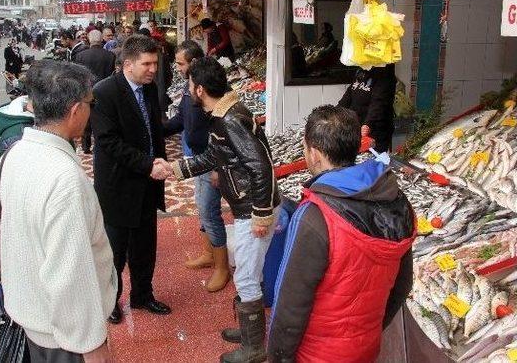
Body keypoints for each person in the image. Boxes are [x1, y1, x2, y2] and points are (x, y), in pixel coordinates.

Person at [0, 60, 117, 362]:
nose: (91, 109)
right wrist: (93, 346)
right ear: (76, 111)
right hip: (64, 338)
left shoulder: (14, 154)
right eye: (90, 103)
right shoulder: (64, 179)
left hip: (32, 316)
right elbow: (70, 275)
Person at [267, 105, 414, 362]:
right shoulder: (398, 203)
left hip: (318, 354)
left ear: (313, 153)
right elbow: (403, 285)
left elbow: (290, 305)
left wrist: (278, 357)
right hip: (366, 348)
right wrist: (369, 331)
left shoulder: (314, 215)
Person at [169, 57, 280, 363]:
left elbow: (261, 166)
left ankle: (254, 348)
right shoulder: (223, 116)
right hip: (247, 205)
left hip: (252, 209)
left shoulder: (230, 119)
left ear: (200, 88)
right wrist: (175, 168)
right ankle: (249, 333)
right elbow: (213, 157)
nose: (188, 88)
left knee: (245, 275)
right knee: (249, 272)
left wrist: (261, 213)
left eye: (190, 83)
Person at [92, 35, 172, 325]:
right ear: (128, 64)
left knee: (145, 246)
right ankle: (112, 301)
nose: (153, 69)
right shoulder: (104, 92)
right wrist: (148, 163)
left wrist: (160, 161)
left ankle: (143, 295)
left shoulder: (149, 89)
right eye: (147, 64)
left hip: (147, 184)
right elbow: (108, 142)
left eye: (155, 63)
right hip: (119, 186)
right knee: (114, 253)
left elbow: (153, 130)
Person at [163, 41, 228, 292]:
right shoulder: (191, 88)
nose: (177, 67)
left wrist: (217, 167)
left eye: (180, 63)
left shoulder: (212, 91)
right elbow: (181, 118)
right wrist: (158, 130)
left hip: (211, 162)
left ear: (193, 63)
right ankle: (208, 252)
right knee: (203, 208)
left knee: (210, 212)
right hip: (198, 159)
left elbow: (220, 135)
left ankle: (221, 267)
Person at [338, 64, 396, 153]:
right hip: (357, 127)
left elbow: (379, 102)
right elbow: (349, 93)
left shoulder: (385, 73)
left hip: (375, 131)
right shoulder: (362, 68)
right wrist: (334, 113)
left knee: (370, 162)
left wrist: (368, 124)